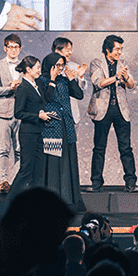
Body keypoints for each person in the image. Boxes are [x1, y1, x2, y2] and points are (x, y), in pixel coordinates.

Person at [87, 35, 138, 192]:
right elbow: (98, 82)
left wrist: (126, 76)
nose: (120, 52)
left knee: (126, 148)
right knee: (99, 147)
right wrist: (116, 77)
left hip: (120, 110)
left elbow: (131, 85)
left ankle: (130, 182)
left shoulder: (122, 64)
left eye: (121, 49)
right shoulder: (97, 63)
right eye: (117, 49)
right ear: (108, 49)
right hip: (103, 110)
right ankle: (96, 182)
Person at [39, 52, 85, 211]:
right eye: (57, 65)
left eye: (62, 65)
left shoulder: (65, 81)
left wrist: (72, 80)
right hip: (51, 128)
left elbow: (79, 95)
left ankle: (69, 200)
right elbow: (47, 99)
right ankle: (51, 202)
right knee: (53, 165)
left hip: (67, 126)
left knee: (68, 162)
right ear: (49, 65)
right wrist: (51, 80)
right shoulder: (41, 81)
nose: (60, 68)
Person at [8, 56, 57, 198]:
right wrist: (38, 116)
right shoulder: (23, 88)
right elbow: (18, 113)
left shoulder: (38, 83)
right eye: (37, 68)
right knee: (26, 168)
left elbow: (47, 98)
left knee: (39, 169)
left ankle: (36, 202)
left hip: (38, 132)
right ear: (28, 69)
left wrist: (52, 80)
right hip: (27, 133)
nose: (39, 71)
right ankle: (10, 201)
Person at [0, 33, 22, 193]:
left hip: (21, 112)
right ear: (5, 48)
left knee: (19, 150)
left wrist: (20, 87)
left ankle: (16, 180)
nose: (13, 50)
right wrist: (10, 88)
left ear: (20, 48)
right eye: (10, 47)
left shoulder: (25, 65)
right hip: (3, 112)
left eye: (16, 47)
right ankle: (3, 180)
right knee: (4, 149)